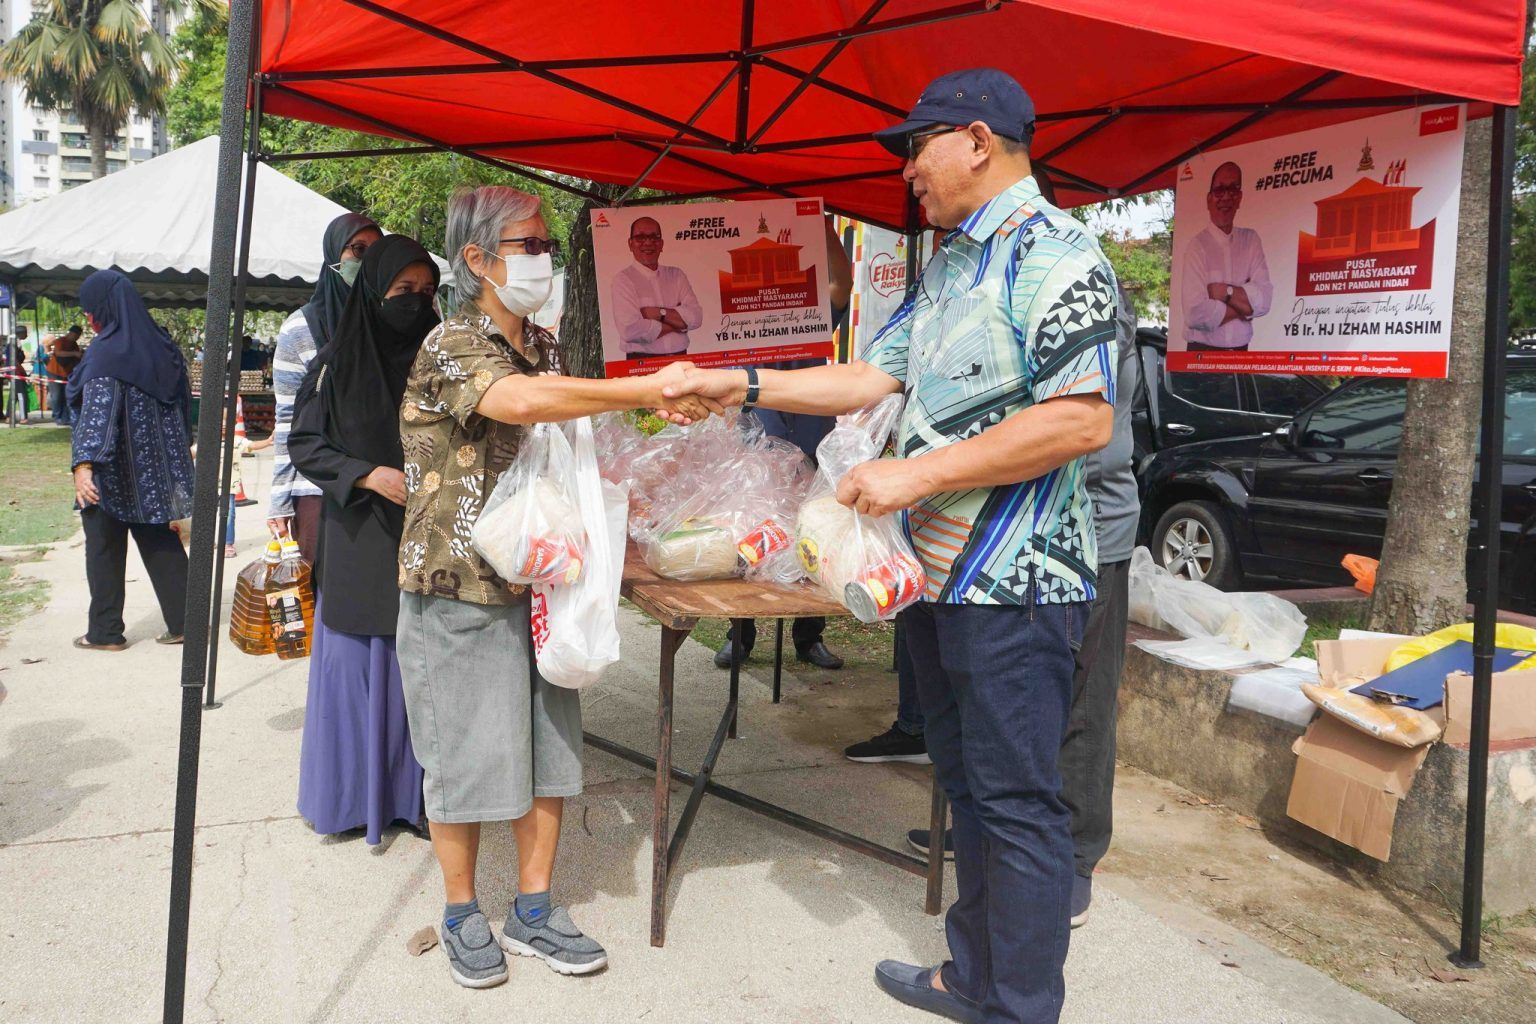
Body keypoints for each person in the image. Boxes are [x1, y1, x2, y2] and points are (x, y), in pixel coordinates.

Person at [668, 68, 1117, 1024]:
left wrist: (915, 475)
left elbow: (1081, 421)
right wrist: (737, 381)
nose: (908, 169)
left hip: (1019, 582)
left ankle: (1021, 1004)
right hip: (936, 580)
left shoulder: (1058, 254)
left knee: (1017, 802)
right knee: (965, 786)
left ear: (977, 141)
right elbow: (870, 375)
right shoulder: (954, 264)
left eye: (918, 147)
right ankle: (971, 976)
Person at [397, 185, 714, 989]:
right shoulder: (450, 343)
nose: (544, 258)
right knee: (465, 760)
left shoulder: (541, 342)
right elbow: (519, 403)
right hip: (458, 586)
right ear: (478, 260)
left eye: (546, 246)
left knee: (548, 754)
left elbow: (567, 425)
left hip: (543, 586)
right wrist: (644, 388)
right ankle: (464, 911)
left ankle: (533, 910)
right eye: (530, 245)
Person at [289, 234, 441, 847]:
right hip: (358, 534)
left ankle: (420, 801)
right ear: (373, 293)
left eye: (426, 292)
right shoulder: (334, 363)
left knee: (420, 670)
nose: (414, 302)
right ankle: (354, 803)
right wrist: (367, 474)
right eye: (401, 291)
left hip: (428, 536)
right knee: (359, 669)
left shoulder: (441, 360)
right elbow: (306, 444)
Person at [714, 216, 853, 673]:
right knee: (749, 531)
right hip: (759, 439)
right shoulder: (735, 320)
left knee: (818, 529)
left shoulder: (809, 309)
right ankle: (741, 632)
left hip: (812, 435)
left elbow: (841, 281)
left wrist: (818, 222)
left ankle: (808, 637)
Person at [68, 270, 194, 651]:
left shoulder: (107, 353)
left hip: (109, 474)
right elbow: (183, 407)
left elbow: (99, 414)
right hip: (154, 474)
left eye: (91, 310)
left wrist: (84, 464)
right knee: (160, 542)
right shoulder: (162, 348)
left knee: (103, 549)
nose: (89, 317)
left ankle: (105, 633)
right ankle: (187, 623)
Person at [268, 212, 382, 562]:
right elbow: (288, 419)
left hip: (384, 484)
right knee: (322, 601)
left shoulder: (389, 319)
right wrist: (279, 500)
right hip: (317, 491)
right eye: (358, 250)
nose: (365, 263)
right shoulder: (301, 328)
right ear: (335, 254)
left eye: (375, 254)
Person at [1181, 161, 1273, 351]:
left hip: (1241, 352)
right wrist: (1245, 306)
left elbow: (1264, 300)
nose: (1226, 197)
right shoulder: (1197, 247)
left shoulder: (1250, 240)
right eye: (1219, 190)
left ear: (1239, 198)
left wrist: (1224, 292)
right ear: (1209, 199)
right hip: (1202, 353)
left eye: (1233, 190)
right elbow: (1194, 314)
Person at [610, 215, 703, 358]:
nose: (648, 242)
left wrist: (659, 313)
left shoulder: (676, 275)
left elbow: (696, 318)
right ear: (630, 244)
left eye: (654, 237)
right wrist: (679, 323)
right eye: (640, 237)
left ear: (661, 244)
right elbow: (630, 330)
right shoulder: (623, 280)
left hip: (681, 359)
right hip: (641, 363)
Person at [45, 326, 84, 426]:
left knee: (65, 395)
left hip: (66, 374)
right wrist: (74, 353)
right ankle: (57, 416)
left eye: (78, 336)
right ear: (71, 333)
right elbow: (58, 353)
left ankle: (65, 417)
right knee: (57, 395)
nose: (77, 338)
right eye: (76, 335)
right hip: (54, 372)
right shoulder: (60, 341)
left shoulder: (74, 344)